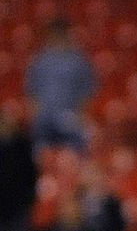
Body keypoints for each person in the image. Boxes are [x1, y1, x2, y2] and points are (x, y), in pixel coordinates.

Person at [24, 16, 97, 151]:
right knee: (39, 155)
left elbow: (88, 92)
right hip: (44, 119)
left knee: (79, 150)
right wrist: (36, 115)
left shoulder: (79, 60)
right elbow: (31, 93)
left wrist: (81, 114)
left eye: (60, 33)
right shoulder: (40, 61)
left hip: (70, 117)